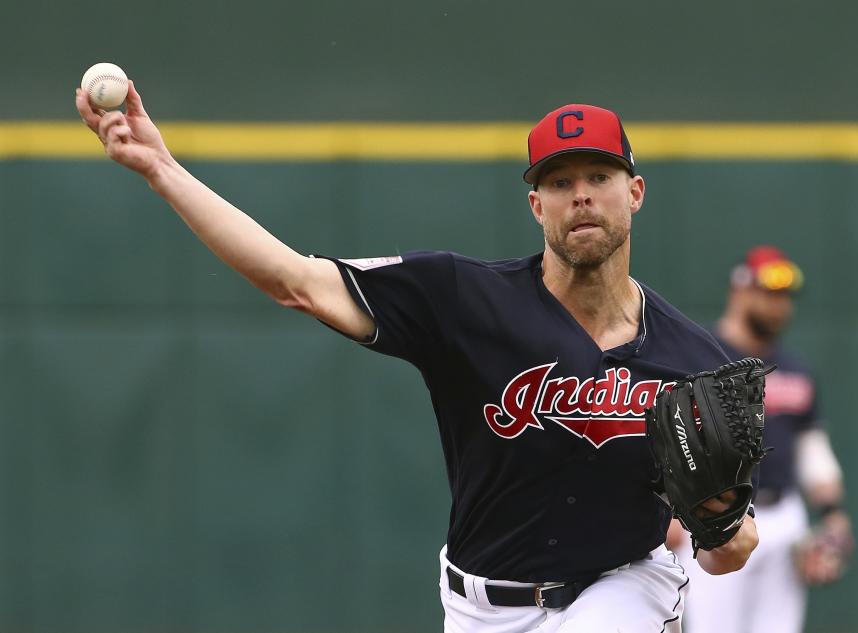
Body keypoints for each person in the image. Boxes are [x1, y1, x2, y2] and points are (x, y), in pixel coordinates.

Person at [75, 85, 760, 632]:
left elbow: (727, 551)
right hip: (481, 602)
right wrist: (161, 169)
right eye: (559, 180)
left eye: (600, 175)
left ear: (634, 193)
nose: (580, 193)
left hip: (623, 588)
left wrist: (725, 522)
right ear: (535, 204)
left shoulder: (691, 358)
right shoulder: (464, 298)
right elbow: (296, 280)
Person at [670, 246, 854, 633]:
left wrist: (832, 515)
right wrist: (669, 515)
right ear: (740, 291)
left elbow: (811, 449)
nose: (779, 306)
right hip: (716, 518)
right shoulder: (701, 359)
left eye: (785, 297)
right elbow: (671, 442)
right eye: (769, 294)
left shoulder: (795, 369)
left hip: (785, 516)